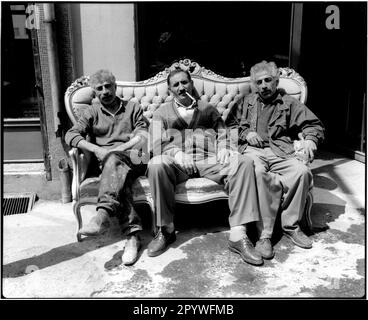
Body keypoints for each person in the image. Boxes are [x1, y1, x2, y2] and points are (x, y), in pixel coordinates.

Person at [146, 68, 264, 266]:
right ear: (169, 89)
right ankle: (165, 230)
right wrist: (176, 153)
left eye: (184, 82)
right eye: (176, 84)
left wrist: (225, 148)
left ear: (191, 84)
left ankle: (238, 234)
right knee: (156, 164)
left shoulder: (207, 108)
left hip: (209, 159)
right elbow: (156, 143)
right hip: (178, 163)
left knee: (243, 162)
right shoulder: (161, 113)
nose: (181, 87)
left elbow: (224, 133)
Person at [226, 61, 325, 259]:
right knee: (258, 173)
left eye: (268, 80)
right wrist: (246, 134)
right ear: (254, 84)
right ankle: (265, 235)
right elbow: (227, 127)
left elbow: (313, 125)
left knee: (301, 172)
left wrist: (310, 141)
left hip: (281, 150)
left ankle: (291, 226)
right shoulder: (245, 102)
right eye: (259, 82)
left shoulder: (288, 103)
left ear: (276, 81)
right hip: (252, 151)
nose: (264, 85)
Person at [65, 69, 148, 266]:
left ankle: (101, 215)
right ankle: (133, 237)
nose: (105, 92)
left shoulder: (132, 107)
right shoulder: (91, 112)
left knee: (114, 161)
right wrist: (96, 150)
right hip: (110, 165)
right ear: (94, 92)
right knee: (119, 176)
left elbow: (143, 134)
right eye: (99, 89)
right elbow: (71, 135)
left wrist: (119, 149)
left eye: (108, 86)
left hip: (135, 157)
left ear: (115, 86)